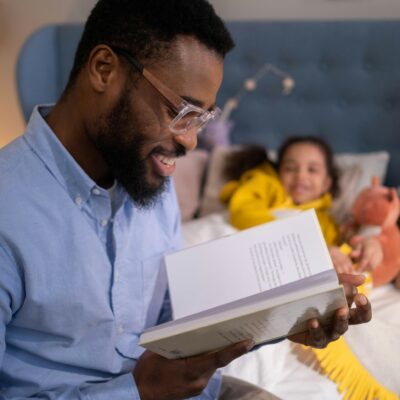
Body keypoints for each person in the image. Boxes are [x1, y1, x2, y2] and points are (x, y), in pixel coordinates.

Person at [0, 1, 371, 399]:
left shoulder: (146, 174)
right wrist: (139, 391)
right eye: (180, 111)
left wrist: (283, 317)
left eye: (202, 119)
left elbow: (172, 327)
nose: (190, 140)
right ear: (104, 69)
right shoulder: (11, 208)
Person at [220, 136, 383, 275]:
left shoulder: (325, 221)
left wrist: (366, 245)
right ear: (279, 173)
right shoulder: (267, 186)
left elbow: (339, 251)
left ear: (326, 184)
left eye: (312, 170)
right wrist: (311, 245)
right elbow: (243, 211)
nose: (300, 175)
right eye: (290, 168)